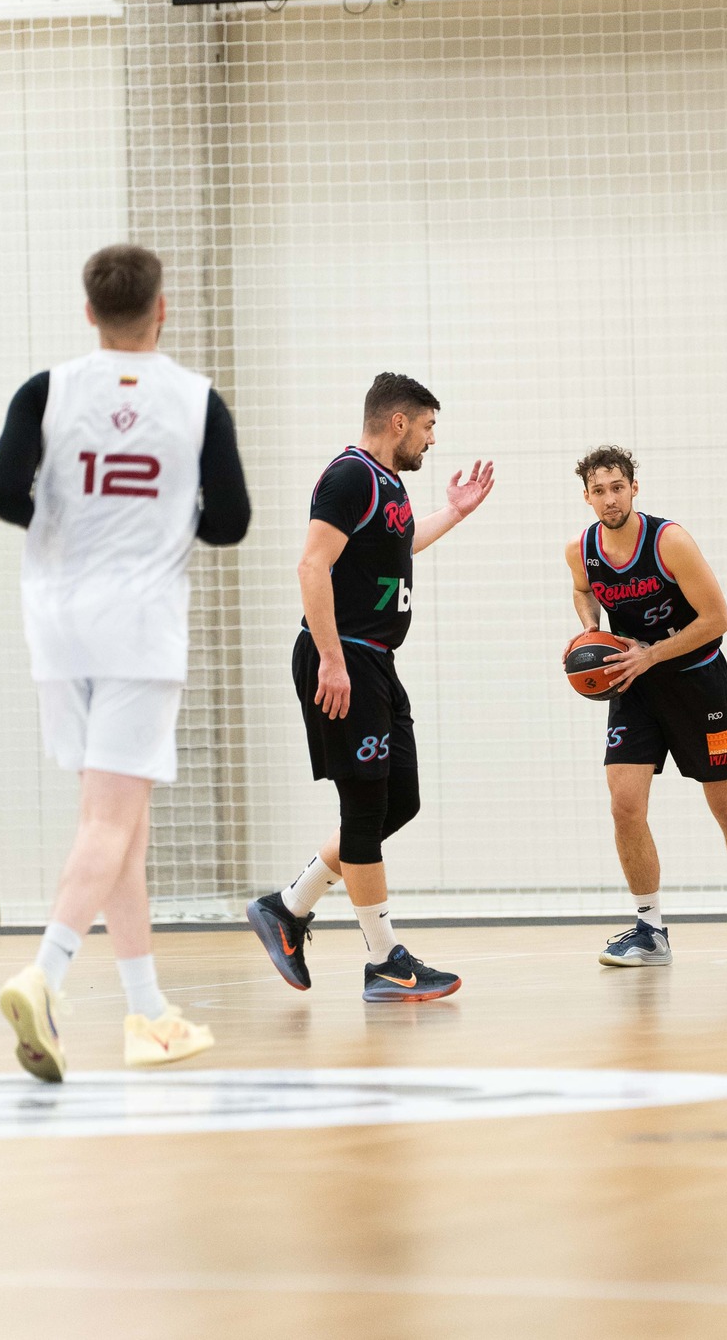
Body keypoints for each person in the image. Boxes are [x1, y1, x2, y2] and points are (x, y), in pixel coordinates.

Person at [0, 244, 250, 1079]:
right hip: (138, 628)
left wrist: (72, 519)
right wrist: (160, 519)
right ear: (161, 308)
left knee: (119, 819)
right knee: (109, 819)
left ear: (89, 312)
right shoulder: (196, 400)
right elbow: (231, 520)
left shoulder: (48, 389)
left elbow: (1, 491)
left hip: (59, 625)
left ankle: (148, 1011)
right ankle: (44, 975)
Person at [244, 373, 493, 1001]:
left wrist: (455, 513)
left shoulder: (389, 484)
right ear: (398, 422)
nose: (432, 440)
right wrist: (331, 660)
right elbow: (312, 565)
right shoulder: (350, 476)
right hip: (344, 657)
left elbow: (399, 545)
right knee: (362, 810)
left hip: (376, 661)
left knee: (398, 801)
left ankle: (288, 906)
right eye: (428, 427)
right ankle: (384, 961)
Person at [563, 446, 727, 967]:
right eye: (599, 490)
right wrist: (590, 630)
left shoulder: (669, 542)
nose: (610, 498)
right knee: (624, 806)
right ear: (587, 496)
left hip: (695, 682)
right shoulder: (581, 549)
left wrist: (652, 654)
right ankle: (650, 931)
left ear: (634, 488)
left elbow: (717, 619)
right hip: (634, 686)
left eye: (618, 487)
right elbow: (582, 589)